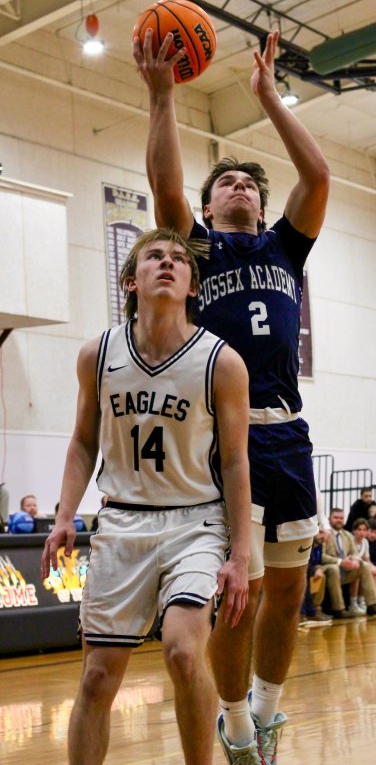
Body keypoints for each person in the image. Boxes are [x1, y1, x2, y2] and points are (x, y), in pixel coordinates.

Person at [134, 27, 329, 765]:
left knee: (286, 592)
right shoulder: (200, 248)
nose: (239, 188)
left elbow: (318, 176)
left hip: (288, 433)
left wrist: (267, 98)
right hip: (226, 441)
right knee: (241, 594)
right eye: (227, 184)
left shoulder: (286, 247)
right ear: (211, 208)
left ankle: (267, 717)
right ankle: (237, 726)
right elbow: (163, 186)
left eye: (249, 183)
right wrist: (162, 98)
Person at [40, 229, 251, 765]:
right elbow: (84, 441)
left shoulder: (221, 363)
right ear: (131, 280)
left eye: (179, 259)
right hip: (122, 522)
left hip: (196, 523)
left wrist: (241, 554)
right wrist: (65, 516)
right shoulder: (98, 353)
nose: (168, 263)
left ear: (191, 286)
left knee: (183, 652)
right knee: (94, 680)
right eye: (154, 256)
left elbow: (234, 462)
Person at [321, 508, 376, 618]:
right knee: (334, 568)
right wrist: (340, 561)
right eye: (336, 517)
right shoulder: (325, 534)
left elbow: (354, 553)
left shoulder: (347, 535)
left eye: (341, 518)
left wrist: (355, 561)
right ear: (329, 519)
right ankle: (339, 609)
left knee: (365, 566)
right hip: (329, 570)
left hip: (345, 571)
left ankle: (372, 605)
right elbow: (321, 556)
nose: (339, 520)